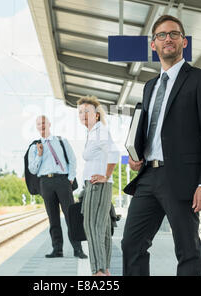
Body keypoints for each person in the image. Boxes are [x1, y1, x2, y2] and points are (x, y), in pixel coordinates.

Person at [121, 14, 201, 276]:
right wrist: (137, 155)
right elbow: (150, 129)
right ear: (153, 44)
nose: (168, 39)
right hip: (148, 177)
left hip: (183, 178)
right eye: (161, 35)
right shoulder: (150, 86)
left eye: (174, 34)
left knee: (187, 249)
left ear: (184, 42)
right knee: (131, 243)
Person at [28, 115, 87, 259]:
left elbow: (72, 159)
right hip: (45, 183)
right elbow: (33, 170)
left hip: (62, 181)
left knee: (70, 216)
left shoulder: (61, 141)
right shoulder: (34, 147)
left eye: (43, 122)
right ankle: (57, 249)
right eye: (38, 124)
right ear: (36, 127)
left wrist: (70, 178)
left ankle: (78, 249)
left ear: (49, 124)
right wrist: (40, 155)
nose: (41, 125)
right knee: (53, 218)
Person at [77, 95, 119, 276]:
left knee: (92, 225)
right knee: (100, 227)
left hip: (97, 185)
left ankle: (98, 272)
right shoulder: (93, 131)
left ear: (96, 115)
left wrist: (105, 176)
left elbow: (114, 153)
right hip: (95, 185)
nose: (83, 115)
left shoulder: (100, 130)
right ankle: (104, 270)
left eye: (87, 111)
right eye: (80, 112)